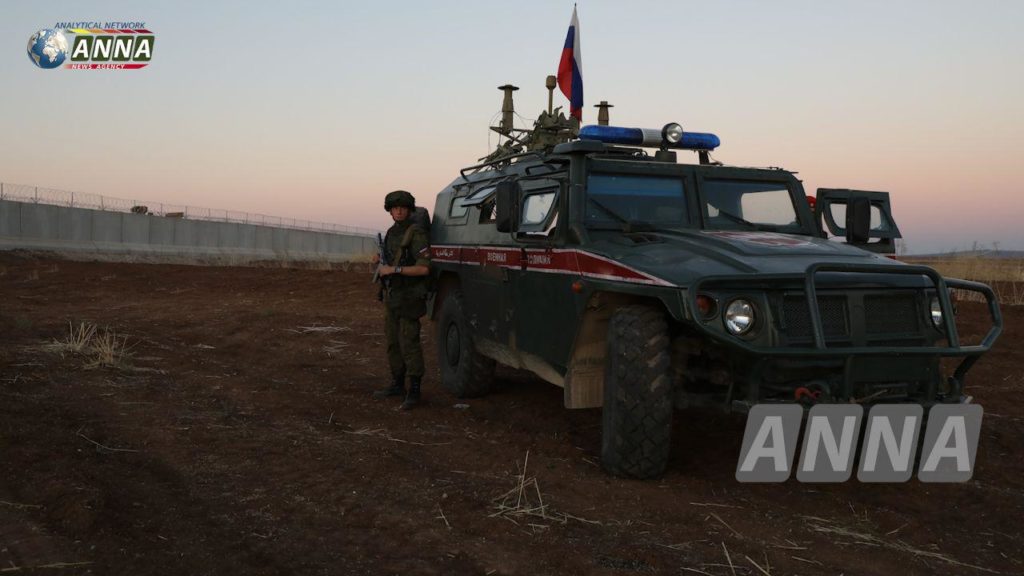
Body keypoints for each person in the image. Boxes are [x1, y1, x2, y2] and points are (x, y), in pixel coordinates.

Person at [373, 190, 431, 409]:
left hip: (410, 298)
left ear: (409, 210)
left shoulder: (416, 234)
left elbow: (424, 269)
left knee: (410, 344)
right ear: (390, 211)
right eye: (394, 208)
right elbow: (388, 261)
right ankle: (397, 383)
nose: (398, 211)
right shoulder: (390, 233)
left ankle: (414, 390)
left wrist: (394, 269)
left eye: (402, 207)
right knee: (392, 342)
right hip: (392, 296)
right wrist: (380, 260)